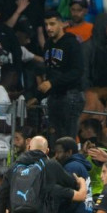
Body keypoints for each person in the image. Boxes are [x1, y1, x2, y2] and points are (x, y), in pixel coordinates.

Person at [41, 10, 85, 141]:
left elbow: (77, 71)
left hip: (71, 94)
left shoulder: (72, 43)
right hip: (54, 96)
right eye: (46, 24)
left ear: (62, 24)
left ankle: (70, 162)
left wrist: (52, 83)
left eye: (52, 24)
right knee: (55, 138)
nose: (48, 28)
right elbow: (49, 71)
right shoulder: (48, 44)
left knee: (67, 140)